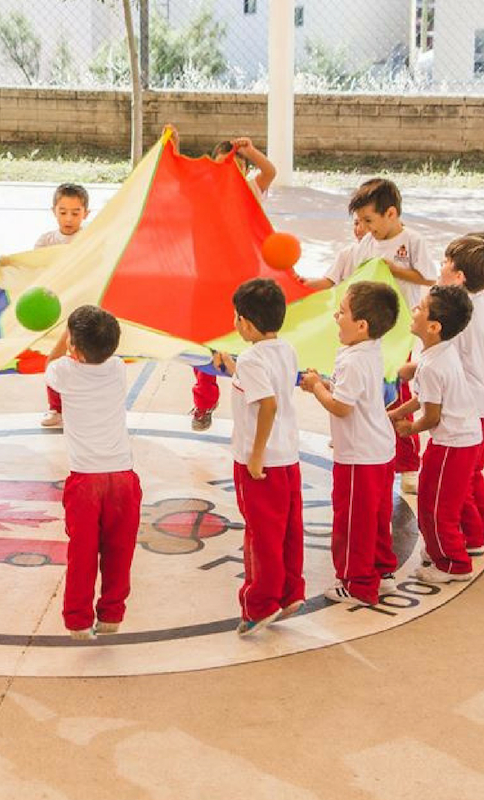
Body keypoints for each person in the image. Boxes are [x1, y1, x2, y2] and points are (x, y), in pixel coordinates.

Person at [300, 178, 438, 494]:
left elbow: (428, 277)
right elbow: (344, 278)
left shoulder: (411, 241)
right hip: (366, 333)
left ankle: (407, 464)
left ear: (391, 213)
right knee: (360, 387)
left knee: (397, 390)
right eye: (359, 221)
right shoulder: (365, 244)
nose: (363, 228)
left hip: (397, 333)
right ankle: (361, 438)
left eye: (368, 220)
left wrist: (392, 268)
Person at [211, 278, 304, 636]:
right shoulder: (285, 350)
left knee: (260, 535)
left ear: (246, 324)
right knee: (288, 529)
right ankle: (290, 592)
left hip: (261, 463)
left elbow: (268, 403)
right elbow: (266, 385)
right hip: (287, 457)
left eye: (236, 317)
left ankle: (260, 604)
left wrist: (256, 455)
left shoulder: (252, 358)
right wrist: (233, 367)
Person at [44, 305, 142, 640]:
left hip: (86, 481)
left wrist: (65, 336)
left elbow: (49, 364)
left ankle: (78, 621)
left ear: (73, 346)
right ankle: (112, 615)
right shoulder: (117, 368)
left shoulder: (64, 372)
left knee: (82, 554)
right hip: (123, 477)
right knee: (120, 551)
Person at [302, 281, 401, 605]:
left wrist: (317, 388)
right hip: (380, 450)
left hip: (359, 456)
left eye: (342, 312)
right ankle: (382, 571)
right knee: (377, 517)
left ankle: (357, 583)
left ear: (362, 325)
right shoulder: (369, 350)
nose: (335, 316)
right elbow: (353, 393)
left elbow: (341, 407)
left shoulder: (353, 359)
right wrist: (325, 383)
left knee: (353, 522)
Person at [389, 285, 481, 583]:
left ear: (433, 326)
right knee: (431, 498)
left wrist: (409, 428)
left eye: (420, 308)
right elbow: (425, 398)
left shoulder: (431, 366)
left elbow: (431, 415)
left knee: (437, 506)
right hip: (455, 441)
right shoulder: (438, 353)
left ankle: (453, 564)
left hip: (453, 445)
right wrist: (397, 412)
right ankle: (438, 549)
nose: (414, 310)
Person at [190, 135, 278, 433]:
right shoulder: (204, 193)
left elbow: (270, 172)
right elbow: (178, 179)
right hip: (207, 281)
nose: (229, 172)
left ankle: (259, 396)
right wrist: (172, 147)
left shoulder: (251, 190)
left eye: (237, 167)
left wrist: (250, 151)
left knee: (253, 340)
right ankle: (204, 402)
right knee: (205, 342)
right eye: (222, 166)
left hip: (244, 281)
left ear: (245, 170)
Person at [437, 234, 484, 550]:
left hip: (474, 406)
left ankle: (471, 536)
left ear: (459, 277)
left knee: (461, 477)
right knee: (471, 472)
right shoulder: (482, 295)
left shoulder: (459, 314)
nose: (440, 265)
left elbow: (445, 362)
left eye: (446, 262)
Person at [35, 183, 90, 428]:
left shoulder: (90, 239)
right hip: (55, 312)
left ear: (86, 213)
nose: (69, 218)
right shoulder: (46, 240)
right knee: (54, 360)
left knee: (84, 361)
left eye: (75, 213)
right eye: (63, 212)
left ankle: (80, 406)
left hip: (83, 312)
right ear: (53, 211)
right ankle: (55, 408)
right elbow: (36, 272)